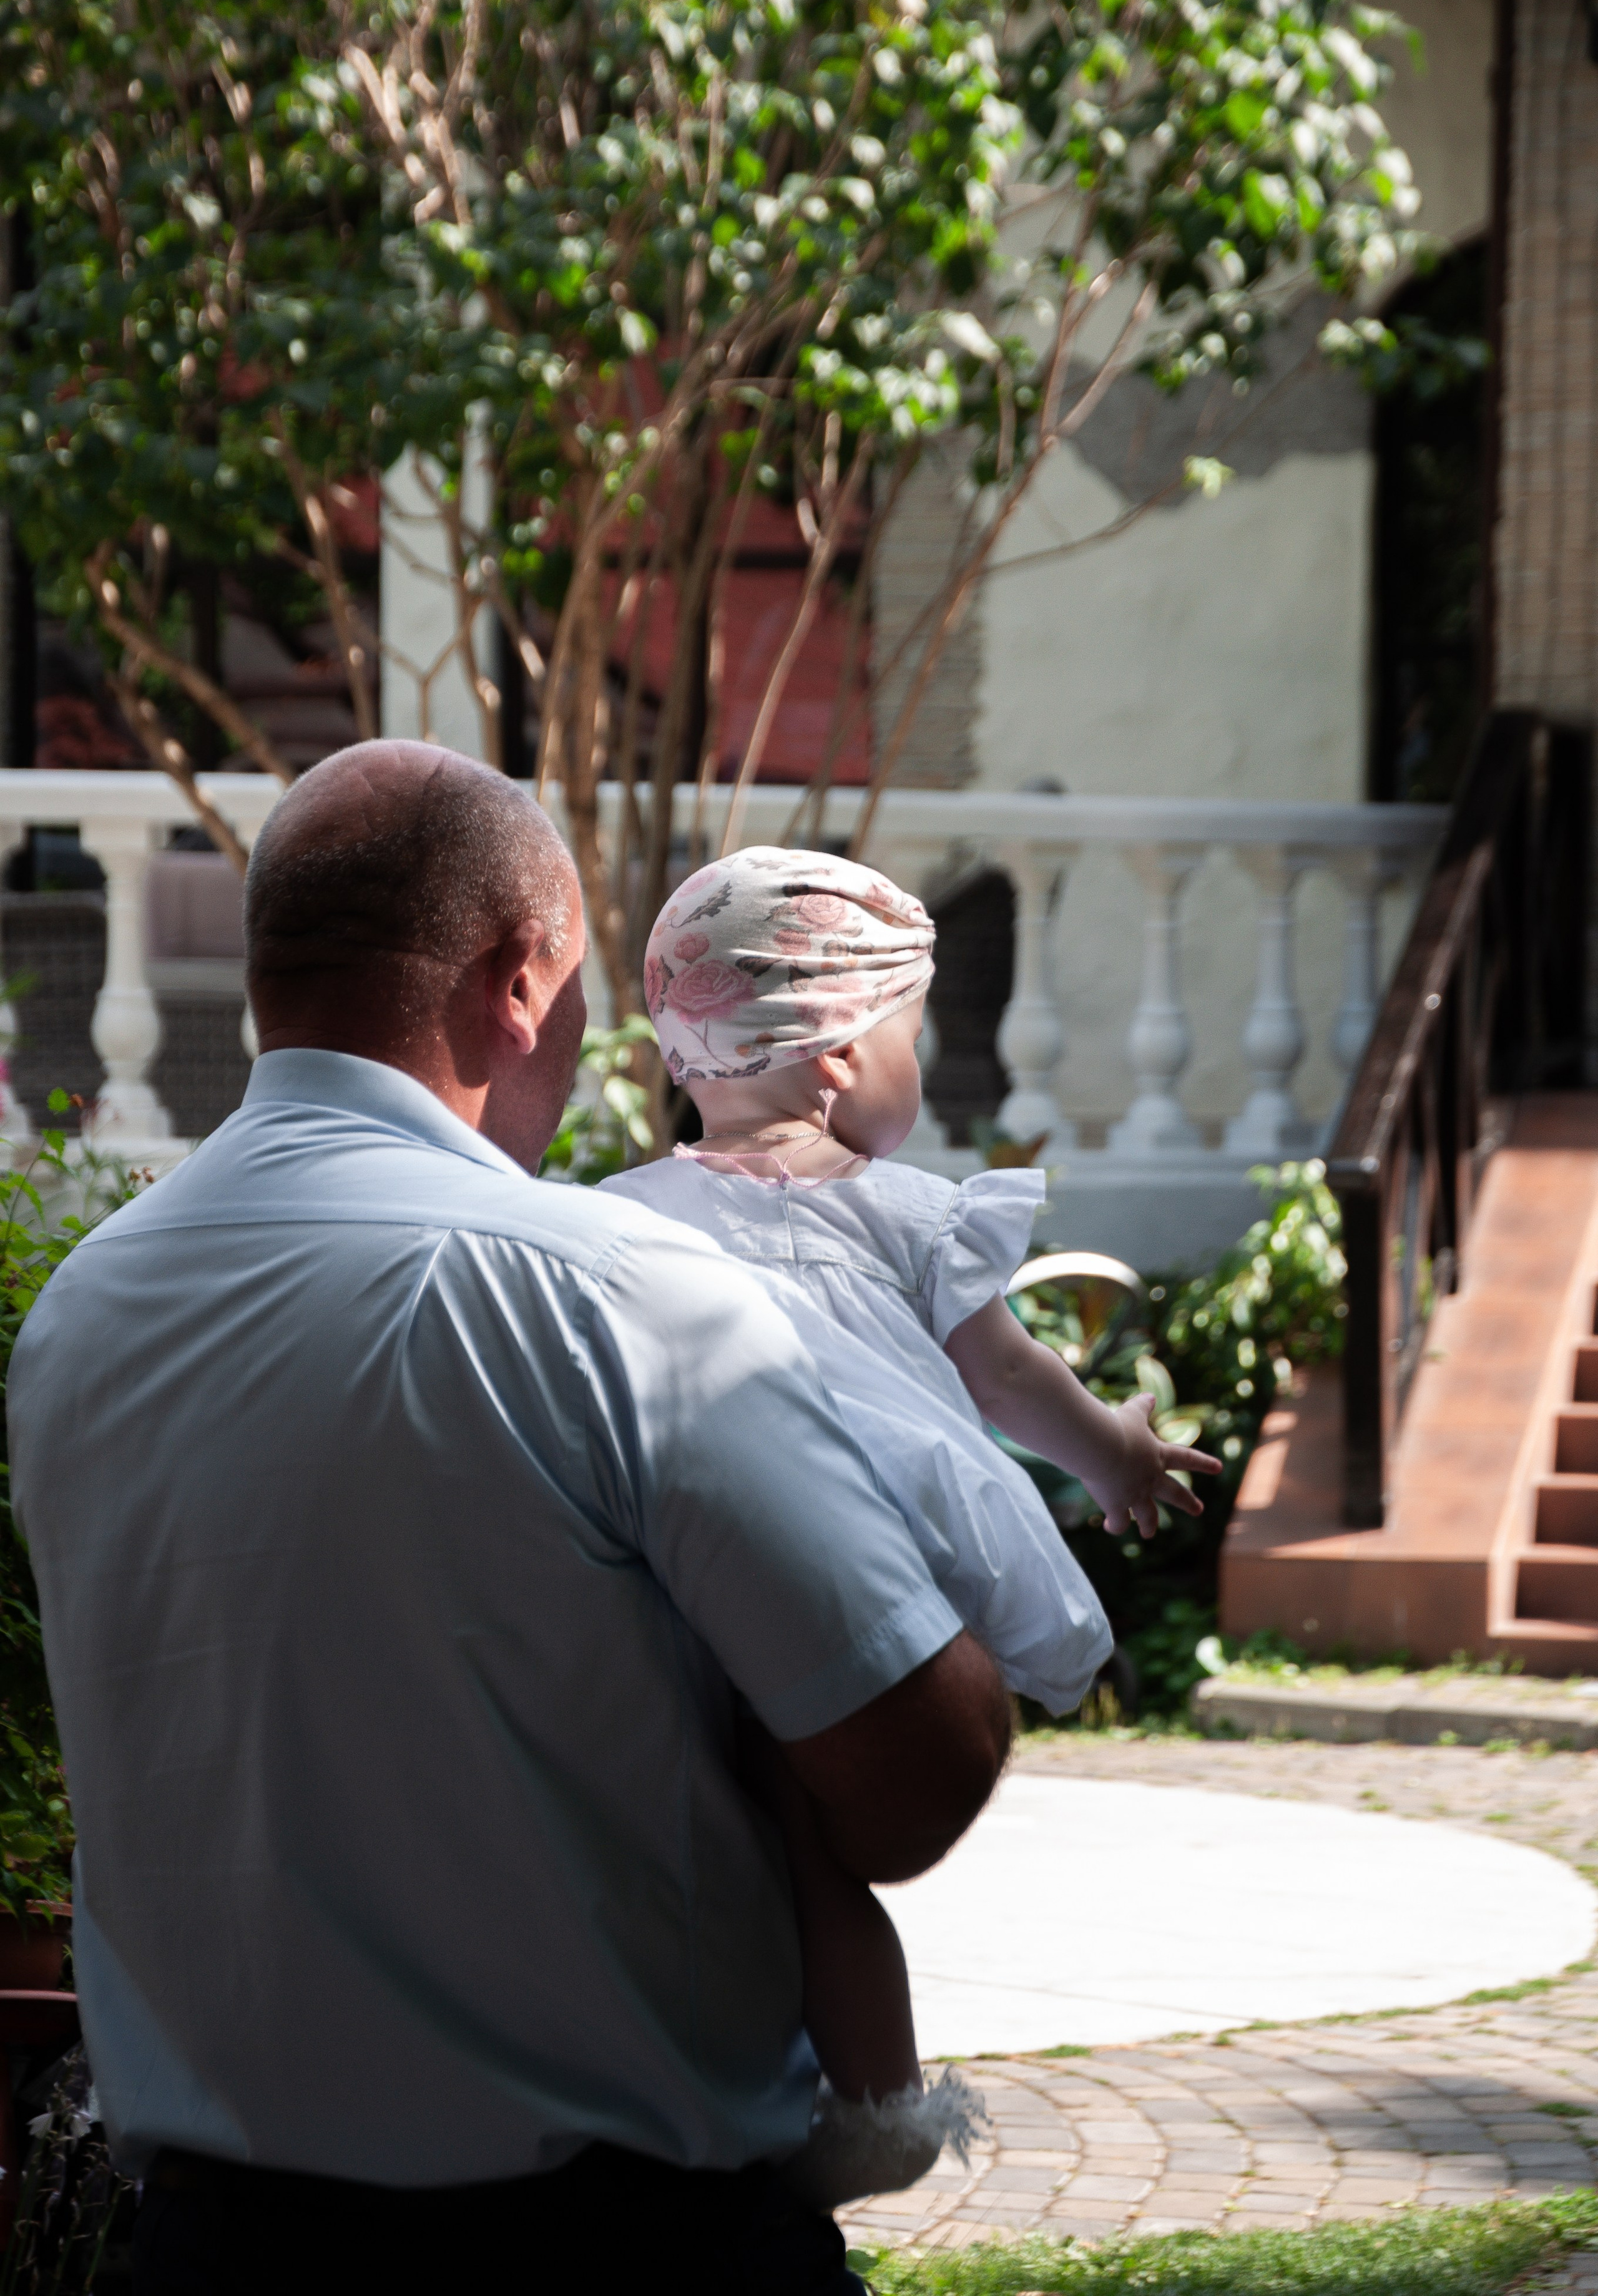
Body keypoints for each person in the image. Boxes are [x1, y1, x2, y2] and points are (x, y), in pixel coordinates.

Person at [8, 747, 1021, 2296]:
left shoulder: (83, 1311)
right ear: (518, 977)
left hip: (216, 2252)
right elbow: (916, 1771)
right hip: (615, 2251)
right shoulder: (608, 1286)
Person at [610, 846, 1221, 2201]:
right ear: (832, 1057)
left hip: (681, 1569)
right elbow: (1008, 1379)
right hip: (855, 1578)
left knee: (696, 1830)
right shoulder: (899, 1213)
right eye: (907, 1033)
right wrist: (1115, 1452)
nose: (915, 1065)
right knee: (817, 1850)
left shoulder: (619, 1219)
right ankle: (876, 2110)